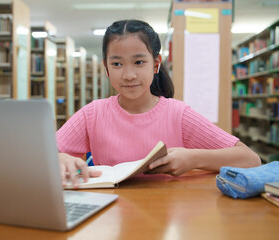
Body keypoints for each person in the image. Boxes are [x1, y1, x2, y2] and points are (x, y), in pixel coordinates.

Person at [56, 19, 261, 188]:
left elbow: (250, 159)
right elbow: (42, 155)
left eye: (139, 62)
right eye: (117, 64)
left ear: (155, 64)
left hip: (168, 221)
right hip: (110, 217)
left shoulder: (178, 114)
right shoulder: (92, 114)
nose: (128, 75)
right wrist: (58, 159)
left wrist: (193, 159)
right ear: (106, 68)